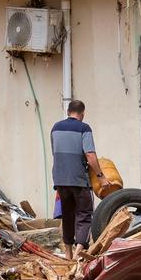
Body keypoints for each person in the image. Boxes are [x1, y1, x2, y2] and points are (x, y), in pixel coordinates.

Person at [51, 100, 109, 260]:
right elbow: (90, 156)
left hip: (60, 179)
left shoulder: (55, 128)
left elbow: (55, 153)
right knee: (84, 214)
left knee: (67, 215)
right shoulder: (84, 128)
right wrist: (100, 176)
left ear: (68, 111)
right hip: (78, 179)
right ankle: (78, 254)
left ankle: (68, 253)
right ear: (82, 114)